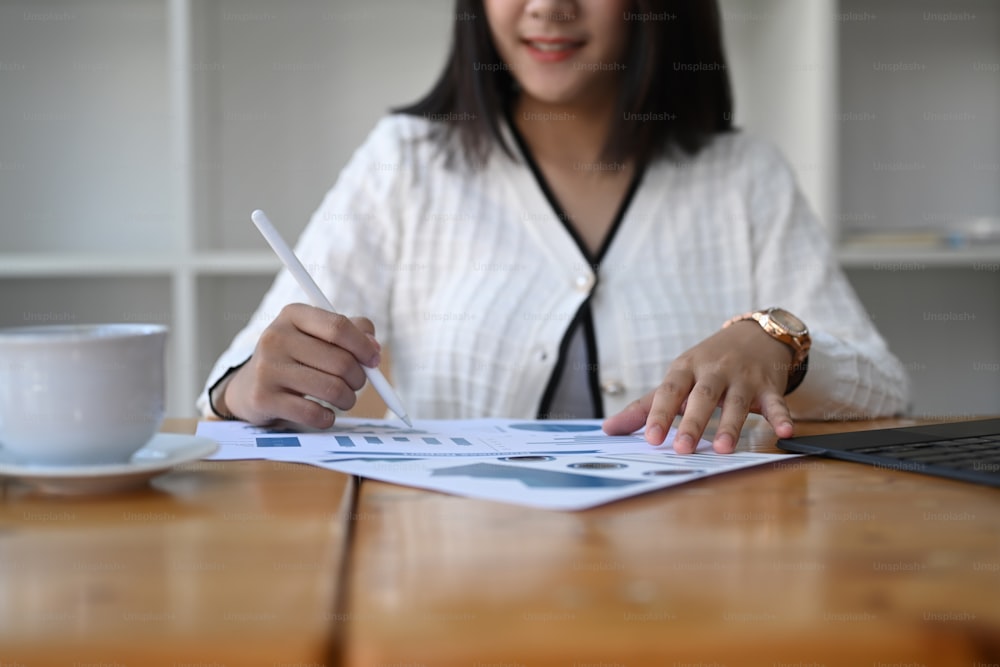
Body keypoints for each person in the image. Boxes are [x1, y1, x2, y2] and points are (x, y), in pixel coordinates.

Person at [198, 0, 909, 454]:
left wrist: (776, 342)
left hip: (692, 593)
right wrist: (252, 385)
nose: (547, 7)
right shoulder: (404, 162)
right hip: (449, 598)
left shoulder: (744, 175)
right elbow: (229, 389)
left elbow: (885, 388)